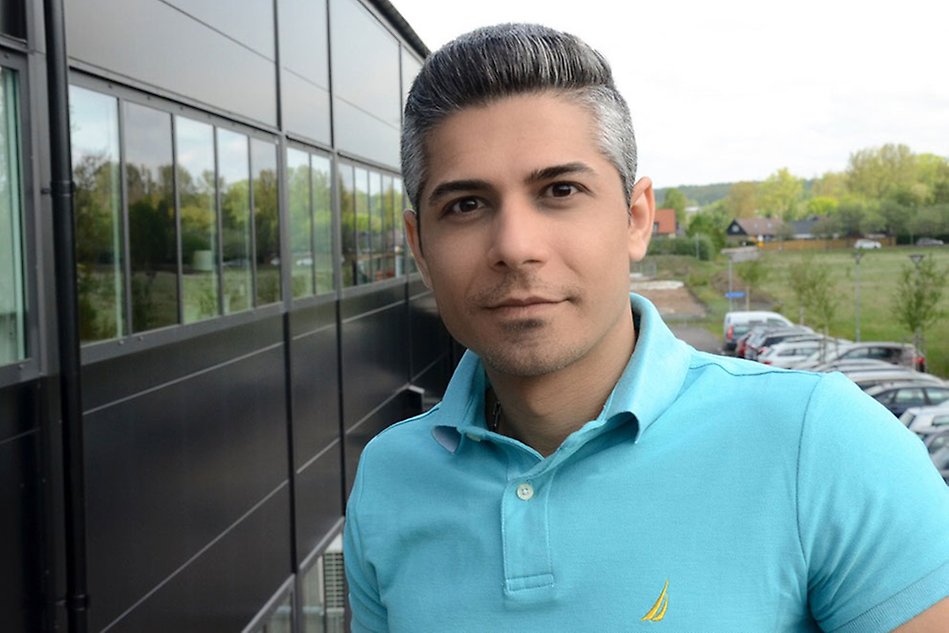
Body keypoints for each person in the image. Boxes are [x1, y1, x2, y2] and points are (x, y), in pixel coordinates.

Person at [344, 23, 949, 632]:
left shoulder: (820, 444)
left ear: (636, 219)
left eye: (560, 190)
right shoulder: (389, 478)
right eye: (466, 205)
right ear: (419, 246)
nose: (516, 246)